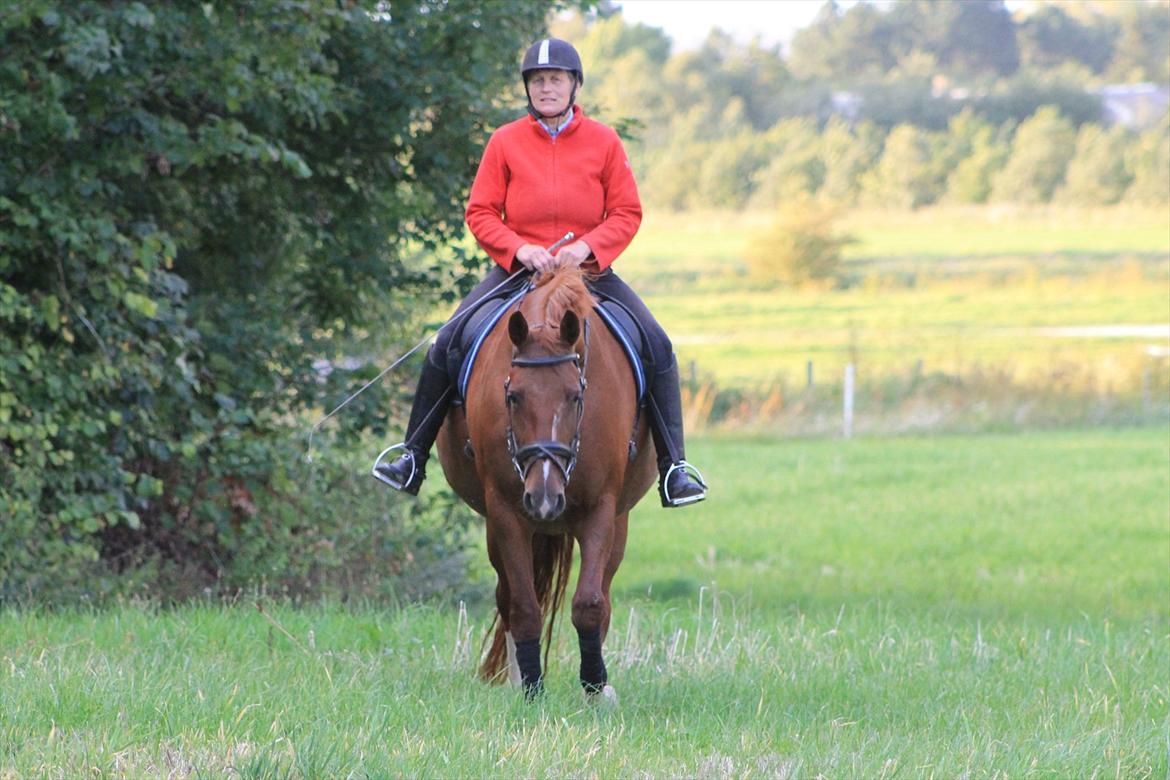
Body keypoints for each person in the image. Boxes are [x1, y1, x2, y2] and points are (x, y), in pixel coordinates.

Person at [374, 37, 706, 508]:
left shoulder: (604, 141)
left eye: (555, 79)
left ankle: (675, 468)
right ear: (528, 88)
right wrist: (519, 249)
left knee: (657, 344)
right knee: (445, 342)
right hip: (520, 273)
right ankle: (411, 456)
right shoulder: (505, 141)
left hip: (589, 274)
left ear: (574, 85)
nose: (546, 87)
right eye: (537, 80)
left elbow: (627, 212)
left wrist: (589, 247)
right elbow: (481, 212)